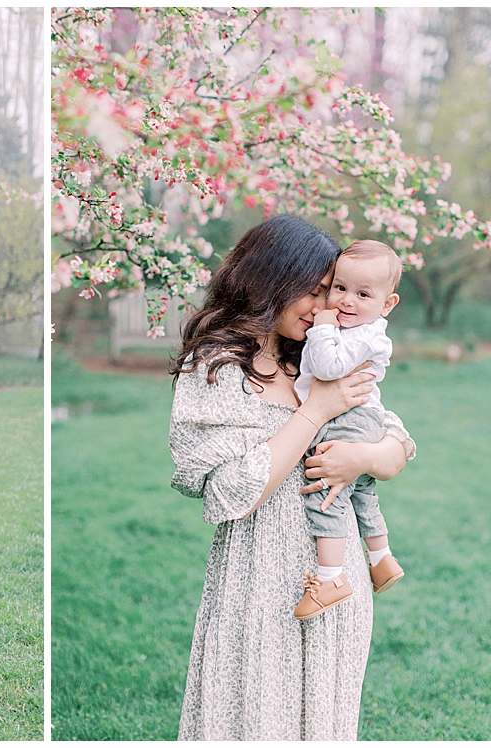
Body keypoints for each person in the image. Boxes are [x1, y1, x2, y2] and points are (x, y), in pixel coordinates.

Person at [168, 215, 416, 740]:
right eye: (315, 290)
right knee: (253, 718)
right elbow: (232, 492)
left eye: (331, 292)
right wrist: (315, 412)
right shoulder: (214, 367)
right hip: (257, 580)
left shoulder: (320, 357)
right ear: (269, 281)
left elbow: (397, 446)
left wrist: (362, 460)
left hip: (335, 579)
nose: (326, 306)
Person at [292, 240, 405, 620]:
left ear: (386, 304)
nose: (346, 301)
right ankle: (381, 557)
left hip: (349, 420)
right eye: (339, 289)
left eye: (362, 294)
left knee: (326, 491)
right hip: (360, 418)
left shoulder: (365, 335)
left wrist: (321, 328)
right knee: (361, 492)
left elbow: (328, 368)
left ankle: (331, 577)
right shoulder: (357, 328)